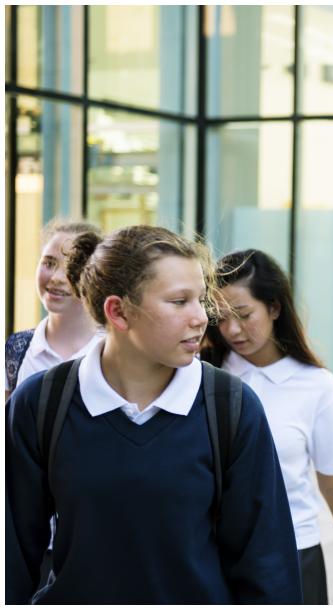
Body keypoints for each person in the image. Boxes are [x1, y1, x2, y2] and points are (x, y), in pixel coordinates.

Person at [5, 226, 302, 604]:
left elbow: (268, 569)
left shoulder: (232, 406)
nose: (201, 318)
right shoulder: (42, 402)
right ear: (118, 311)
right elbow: (10, 561)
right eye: (180, 301)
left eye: (200, 299)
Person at [202, 248, 333, 604]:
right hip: (212, 553)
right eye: (221, 318)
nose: (232, 330)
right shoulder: (201, 376)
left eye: (243, 315)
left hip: (293, 553)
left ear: (274, 308)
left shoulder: (317, 385)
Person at [5, 219, 105, 401]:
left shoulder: (112, 349)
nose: (57, 278)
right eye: (49, 263)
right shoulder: (16, 349)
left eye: (72, 267)